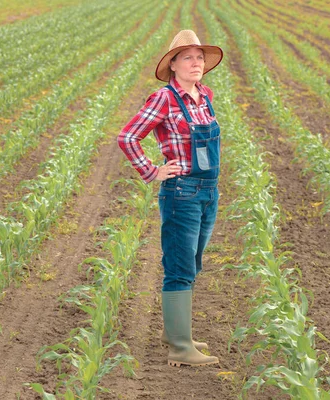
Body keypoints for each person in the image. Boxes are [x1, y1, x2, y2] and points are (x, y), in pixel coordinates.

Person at [117, 30, 223, 367]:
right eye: (188, 57)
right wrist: (152, 171)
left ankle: (175, 331)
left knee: (192, 262)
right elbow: (128, 137)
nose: (197, 63)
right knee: (179, 266)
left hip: (208, 190)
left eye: (200, 57)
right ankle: (179, 347)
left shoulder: (204, 95)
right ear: (173, 64)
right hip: (182, 192)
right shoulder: (164, 98)